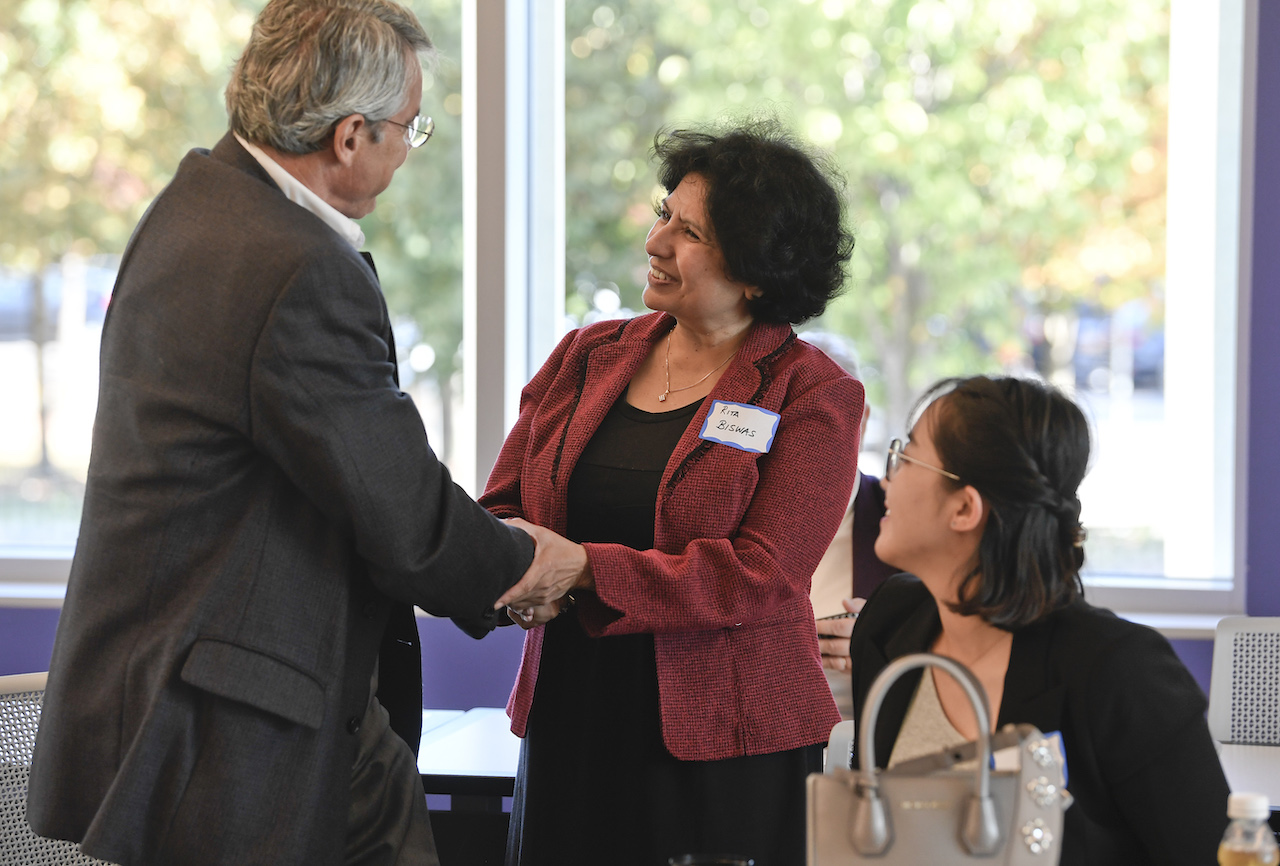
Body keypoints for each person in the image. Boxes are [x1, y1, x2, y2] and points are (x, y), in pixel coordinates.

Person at [25, 2, 573, 864]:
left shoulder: (194, 205)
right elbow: (399, 507)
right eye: (407, 129)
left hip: (235, 697)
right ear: (350, 137)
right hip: (234, 726)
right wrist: (527, 571)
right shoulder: (296, 267)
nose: (406, 150)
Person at [479, 120, 863, 866]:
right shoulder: (587, 355)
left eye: (690, 233)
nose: (656, 241)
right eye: (664, 214)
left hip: (725, 744)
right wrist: (511, 572)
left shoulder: (811, 394)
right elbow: (502, 506)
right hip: (571, 715)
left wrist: (585, 569)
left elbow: (761, 575)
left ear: (757, 270)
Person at [847, 375, 1230, 865]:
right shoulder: (887, 623)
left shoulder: (1120, 670)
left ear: (964, 508)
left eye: (906, 456)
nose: (885, 479)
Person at [799, 331, 897, 719]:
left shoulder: (904, 522)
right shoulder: (720, 518)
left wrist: (886, 653)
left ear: (863, 420)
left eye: (827, 413)